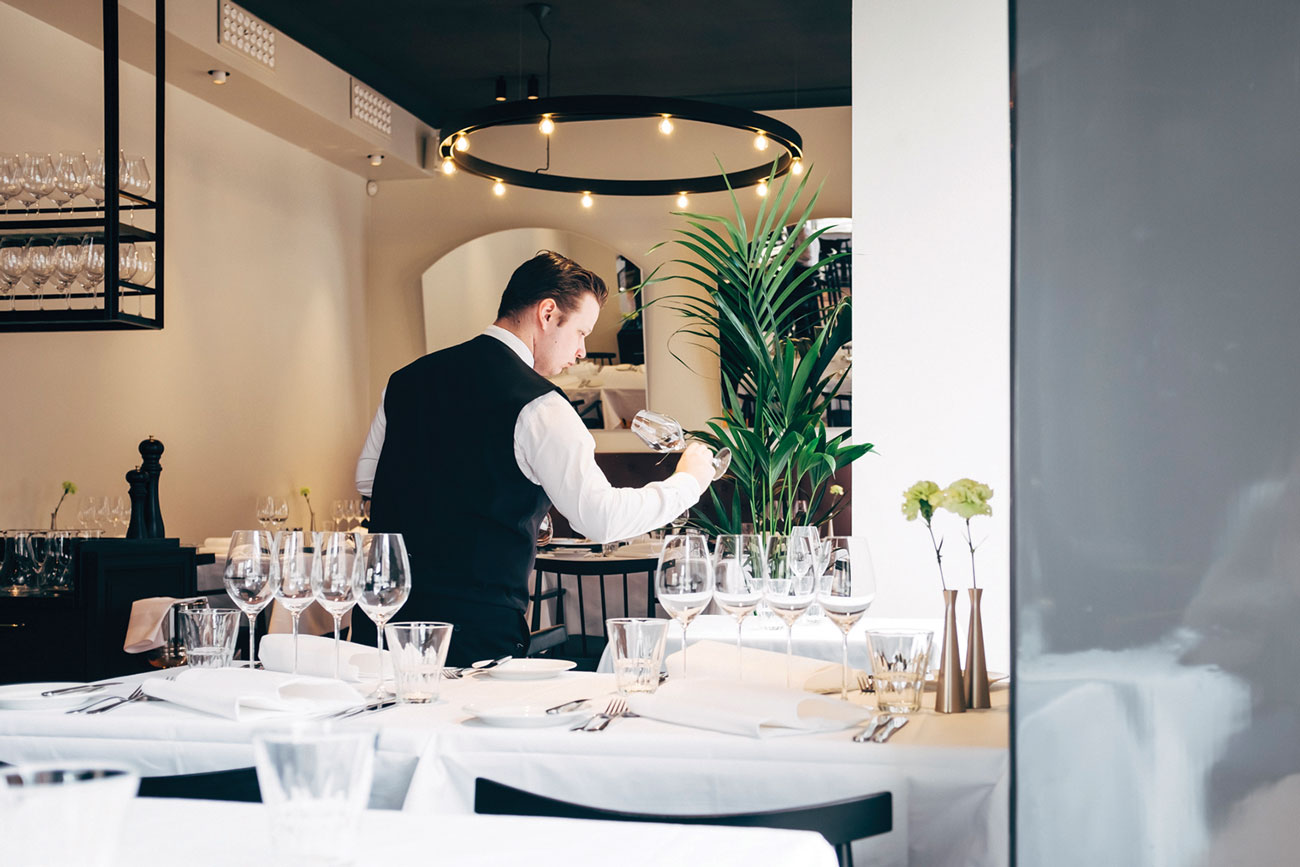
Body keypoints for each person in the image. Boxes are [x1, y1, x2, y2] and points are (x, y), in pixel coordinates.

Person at [354, 251, 714, 666]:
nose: (581, 351)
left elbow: (369, 482)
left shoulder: (405, 379)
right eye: (581, 332)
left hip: (381, 625)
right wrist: (688, 481)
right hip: (472, 640)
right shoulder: (540, 404)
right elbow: (600, 518)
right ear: (547, 313)